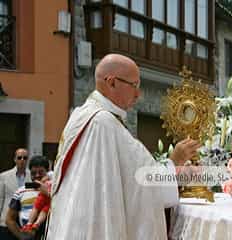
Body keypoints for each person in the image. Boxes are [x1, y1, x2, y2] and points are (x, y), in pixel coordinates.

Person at [46, 54, 201, 240]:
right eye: (134, 85)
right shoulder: (103, 124)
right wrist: (174, 161)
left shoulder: (82, 115)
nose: (138, 93)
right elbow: (144, 184)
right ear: (111, 82)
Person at [6, 156, 49, 240]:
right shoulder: (21, 191)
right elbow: (9, 219)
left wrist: (47, 192)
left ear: (47, 171)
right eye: (33, 173)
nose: (37, 175)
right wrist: (22, 237)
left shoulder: (55, 189)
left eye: (41, 172)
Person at [0, 148, 31, 238]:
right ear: (14, 159)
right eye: (19, 157)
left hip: (24, 222)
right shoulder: (4, 176)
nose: (22, 160)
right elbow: (1, 198)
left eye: (25, 158)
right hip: (6, 222)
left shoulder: (31, 176)